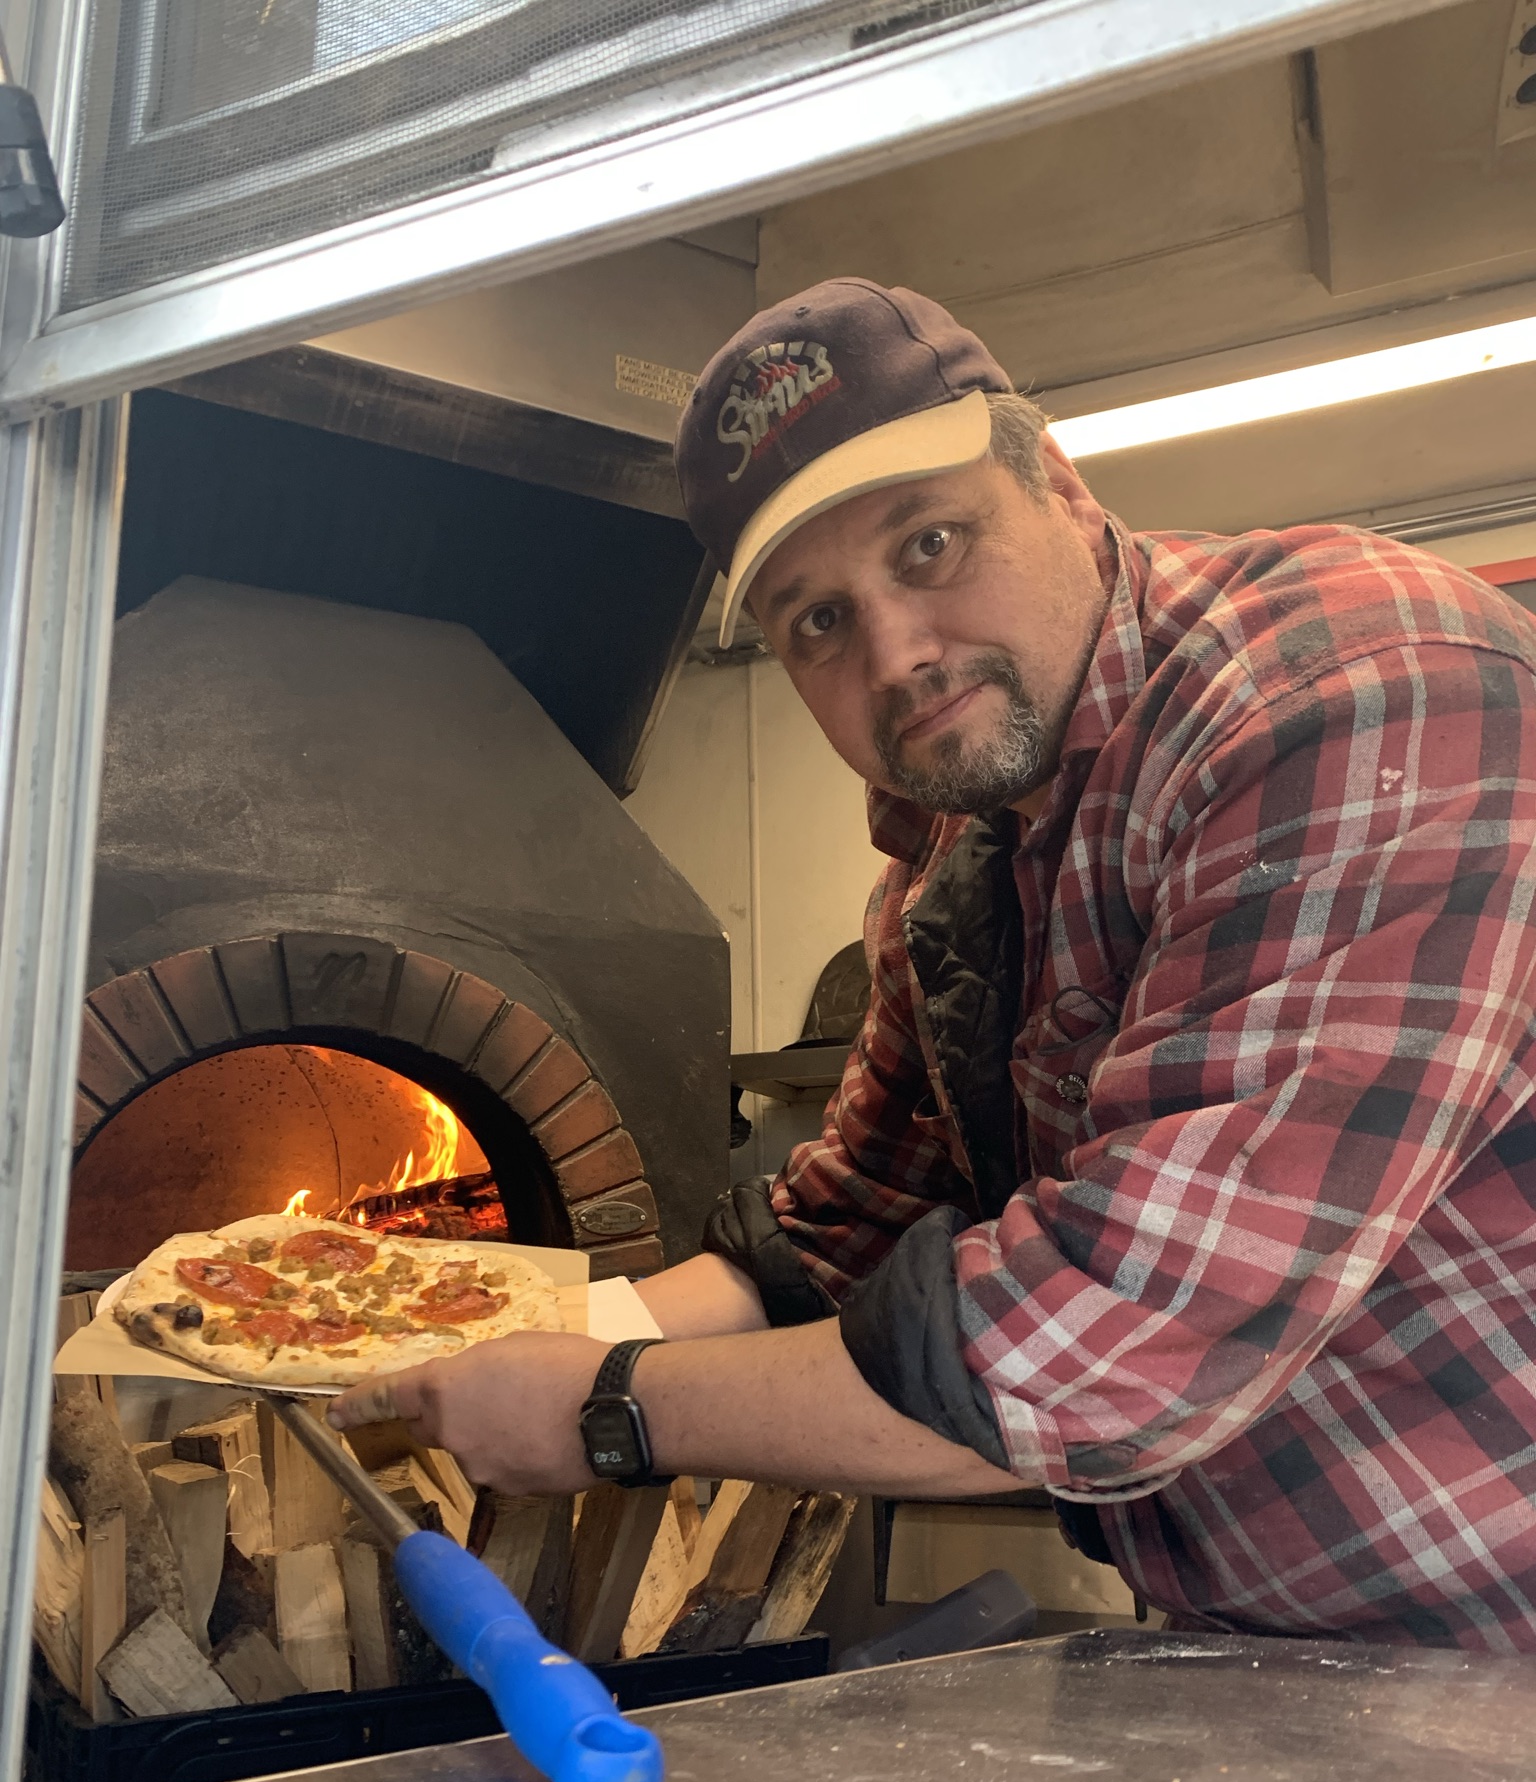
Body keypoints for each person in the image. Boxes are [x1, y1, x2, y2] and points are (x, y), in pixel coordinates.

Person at [333, 279, 1536, 1648]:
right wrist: (512, 1339)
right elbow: (843, 1230)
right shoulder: (951, 858)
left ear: (1063, 488)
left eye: (930, 544)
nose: (896, 653)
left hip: (1494, 1637)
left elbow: (1104, 1353)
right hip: (1265, 1649)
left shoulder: (1353, 694)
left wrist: (607, 1406)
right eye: (818, 622)